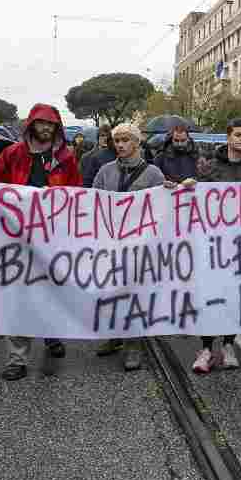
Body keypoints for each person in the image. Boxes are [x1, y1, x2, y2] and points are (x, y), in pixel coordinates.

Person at [0, 104, 82, 380]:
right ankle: (17, 359)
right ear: (31, 125)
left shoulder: (66, 158)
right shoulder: (12, 154)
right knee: (18, 295)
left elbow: (76, 191)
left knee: (52, 290)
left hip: (53, 237)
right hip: (16, 237)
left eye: (52, 124)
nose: (47, 129)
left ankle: (51, 332)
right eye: (42, 123)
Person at [177, 119, 241, 373]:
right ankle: (207, 348)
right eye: (239, 135)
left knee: (234, 296)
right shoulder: (210, 169)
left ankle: (229, 345)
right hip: (213, 245)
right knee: (211, 295)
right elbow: (198, 203)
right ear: (228, 138)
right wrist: (187, 188)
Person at [93, 123, 166, 371]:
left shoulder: (154, 174)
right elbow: (94, 202)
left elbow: (162, 208)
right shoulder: (105, 171)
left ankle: (134, 344)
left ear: (136, 142)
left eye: (125, 140)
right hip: (111, 243)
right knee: (113, 292)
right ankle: (114, 337)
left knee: (137, 294)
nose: (120, 145)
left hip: (140, 246)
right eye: (117, 140)